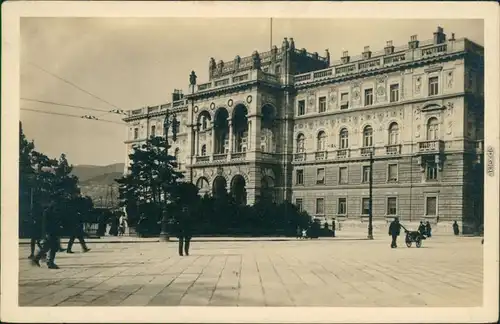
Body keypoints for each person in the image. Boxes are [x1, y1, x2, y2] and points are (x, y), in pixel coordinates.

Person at [31, 202, 63, 269]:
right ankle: (50, 263)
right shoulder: (47, 212)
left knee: (47, 247)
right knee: (52, 247)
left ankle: (38, 259)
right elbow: (44, 224)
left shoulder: (55, 210)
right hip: (50, 232)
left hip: (53, 231)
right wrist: (44, 234)